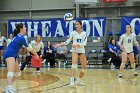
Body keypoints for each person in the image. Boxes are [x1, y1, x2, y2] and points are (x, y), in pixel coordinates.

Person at [3, 23, 39, 93]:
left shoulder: (19, 36)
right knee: (10, 72)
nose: (26, 28)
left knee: (17, 73)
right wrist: (36, 55)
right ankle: (9, 89)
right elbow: (30, 48)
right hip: (10, 54)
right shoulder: (20, 37)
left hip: (13, 55)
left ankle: (8, 86)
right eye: (24, 27)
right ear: (21, 29)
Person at [55, 20, 87, 86]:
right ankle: (72, 80)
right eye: (75, 25)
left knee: (84, 68)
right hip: (75, 51)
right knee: (74, 65)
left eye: (77, 24)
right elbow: (67, 42)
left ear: (81, 25)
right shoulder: (73, 33)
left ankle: (78, 80)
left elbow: (84, 43)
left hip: (82, 51)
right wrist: (59, 45)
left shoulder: (84, 33)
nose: (76, 26)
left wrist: (77, 45)